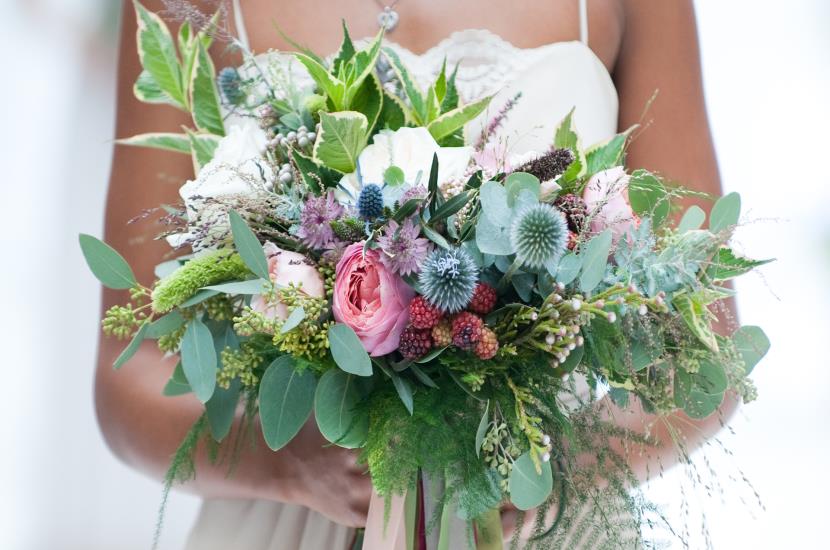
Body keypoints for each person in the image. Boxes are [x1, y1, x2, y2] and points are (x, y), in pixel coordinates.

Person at [97, 0, 735, 547]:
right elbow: (131, 378)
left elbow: (709, 353)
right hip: (287, 520)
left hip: (540, 516)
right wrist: (290, 465)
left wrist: (556, 468)